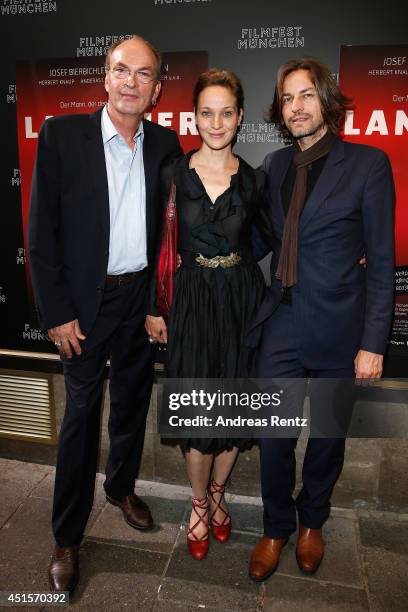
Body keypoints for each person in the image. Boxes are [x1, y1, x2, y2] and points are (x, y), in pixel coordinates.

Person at [28, 35, 182, 593]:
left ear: (157, 89)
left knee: (133, 402)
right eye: (121, 70)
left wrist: (158, 304)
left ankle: (120, 488)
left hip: (139, 301)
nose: (130, 82)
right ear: (106, 76)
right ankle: (67, 535)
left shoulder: (166, 145)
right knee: (81, 415)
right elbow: (41, 234)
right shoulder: (62, 135)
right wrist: (58, 312)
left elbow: (170, 234)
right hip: (83, 307)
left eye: (143, 74)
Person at [248, 57, 395, 581]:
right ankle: (276, 526)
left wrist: (373, 341)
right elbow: (259, 239)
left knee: (329, 437)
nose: (296, 107)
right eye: (287, 99)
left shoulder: (368, 164)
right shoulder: (273, 167)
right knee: (273, 437)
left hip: (339, 327)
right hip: (281, 322)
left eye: (306, 95)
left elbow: (381, 260)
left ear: (326, 101)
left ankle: (312, 523)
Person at [145, 69, 265, 560]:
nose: (216, 122)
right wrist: (156, 308)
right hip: (191, 301)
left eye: (226, 112)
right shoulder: (173, 174)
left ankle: (219, 494)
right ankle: (198, 502)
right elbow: (157, 244)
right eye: (206, 112)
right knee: (196, 406)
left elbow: (277, 240)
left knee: (233, 408)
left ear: (239, 117)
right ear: (195, 116)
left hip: (239, 301)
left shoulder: (255, 180)